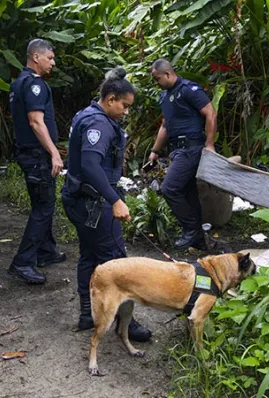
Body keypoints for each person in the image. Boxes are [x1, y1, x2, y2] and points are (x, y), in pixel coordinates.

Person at [61, 67, 152, 342]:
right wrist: (114, 200)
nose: (126, 112)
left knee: (90, 255)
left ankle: (88, 314)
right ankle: (126, 324)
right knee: (118, 263)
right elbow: (90, 165)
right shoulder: (99, 124)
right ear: (111, 98)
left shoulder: (87, 115)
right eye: (124, 106)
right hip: (93, 203)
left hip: (81, 198)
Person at [7, 39, 66, 284]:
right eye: (50, 58)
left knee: (43, 204)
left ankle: (46, 251)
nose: (53, 63)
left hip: (28, 153)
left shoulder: (18, 82)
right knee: (43, 208)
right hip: (37, 156)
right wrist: (54, 152)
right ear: (36, 57)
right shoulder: (34, 85)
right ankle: (23, 262)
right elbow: (35, 122)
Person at [148, 59, 217, 250]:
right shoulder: (165, 96)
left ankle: (191, 230)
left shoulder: (189, 90)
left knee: (169, 188)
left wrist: (209, 144)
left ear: (168, 74)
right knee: (188, 192)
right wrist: (154, 151)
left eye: (157, 78)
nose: (156, 83)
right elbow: (164, 125)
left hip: (192, 148)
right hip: (177, 150)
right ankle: (199, 238)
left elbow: (210, 113)